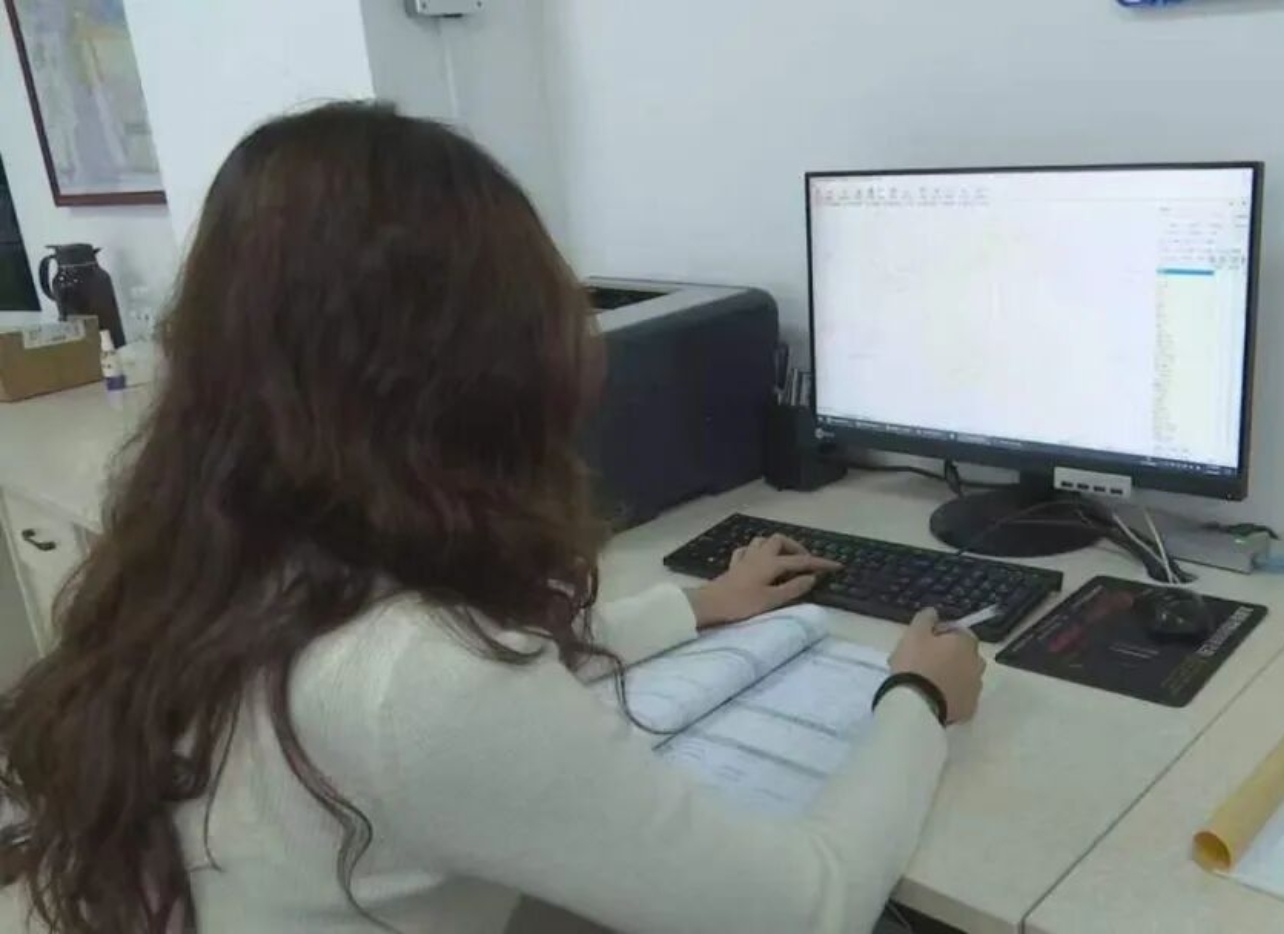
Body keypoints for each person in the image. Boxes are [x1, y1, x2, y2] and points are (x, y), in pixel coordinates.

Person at [0, 103, 984, 934]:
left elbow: (434, 677)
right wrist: (916, 698)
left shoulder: (210, 559)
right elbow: (807, 908)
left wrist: (695, 606)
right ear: (489, 374)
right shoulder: (419, 681)